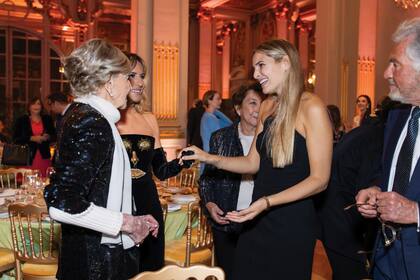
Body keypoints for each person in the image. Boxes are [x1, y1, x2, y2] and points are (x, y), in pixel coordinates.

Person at [182, 39, 332, 279]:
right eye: (254, 67)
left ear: (285, 63)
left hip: (291, 223)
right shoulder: (267, 106)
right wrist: (209, 157)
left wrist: (267, 202)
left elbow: (320, 179)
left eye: (261, 65)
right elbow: (252, 162)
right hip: (256, 218)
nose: (255, 73)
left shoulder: (311, 107)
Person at [43, 39, 159, 280]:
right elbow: (62, 202)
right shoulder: (92, 121)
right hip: (95, 264)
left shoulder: (85, 115)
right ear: (109, 82)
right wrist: (126, 223)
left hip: (90, 257)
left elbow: (101, 190)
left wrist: (133, 217)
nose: (130, 86)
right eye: (127, 77)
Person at [356, 18, 420, 280]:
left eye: (395, 64)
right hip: (384, 258)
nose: (385, 73)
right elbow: (388, 173)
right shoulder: (396, 119)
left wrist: (416, 212)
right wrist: (376, 190)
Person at [317, 97, 402, 280]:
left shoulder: (368, 131)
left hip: (334, 214)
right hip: (341, 219)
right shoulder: (380, 138)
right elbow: (365, 191)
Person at [117, 53, 186, 272]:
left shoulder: (150, 119)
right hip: (119, 207)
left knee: (152, 269)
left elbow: (161, 171)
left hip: (149, 203)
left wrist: (184, 160)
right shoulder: (109, 119)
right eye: (132, 75)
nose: (139, 82)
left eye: (142, 76)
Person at [199, 82, 263, 280]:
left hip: (261, 223)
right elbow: (206, 179)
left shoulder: (271, 139)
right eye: (252, 103)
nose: (258, 109)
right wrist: (209, 203)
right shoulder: (221, 138)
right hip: (228, 222)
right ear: (238, 108)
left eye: (262, 103)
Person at [13, 97, 55, 177]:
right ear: (29, 107)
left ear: (41, 107)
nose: (36, 106)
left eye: (38, 104)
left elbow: (54, 136)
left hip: (44, 157)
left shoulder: (47, 119)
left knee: (44, 181)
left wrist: (48, 136)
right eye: (33, 104)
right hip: (26, 157)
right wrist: (31, 138)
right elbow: (15, 139)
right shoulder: (22, 120)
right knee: (26, 183)